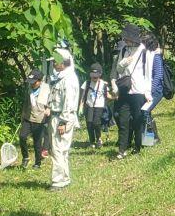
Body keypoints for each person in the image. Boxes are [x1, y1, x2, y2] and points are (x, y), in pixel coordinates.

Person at [111, 32, 153, 160]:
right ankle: (122, 150)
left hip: (138, 91)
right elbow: (118, 70)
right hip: (125, 90)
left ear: (133, 38)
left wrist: (147, 92)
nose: (125, 40)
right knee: (123, 121)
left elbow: (148, 75)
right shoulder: (124, 50)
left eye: (127, 38)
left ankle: (138, 146)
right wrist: (123, 62)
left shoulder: (145, 53)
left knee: (137, 120)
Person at [47, 48, 80, 190]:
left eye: (56, 61)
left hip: (62, 117)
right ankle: (64, 178)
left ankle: (58, 181)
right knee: (59, 149)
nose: (53, 64)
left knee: (58, 150)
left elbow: (69, 103)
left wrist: (63, 122)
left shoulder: (69, 79)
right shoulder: (60, 77)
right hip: (56, 115)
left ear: (63, 62)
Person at [18, 69, 50, 169]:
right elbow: (26, 103)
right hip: (28, 117)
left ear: (40, 81)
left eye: (34, 82)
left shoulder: (47, 89)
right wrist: (22, 116)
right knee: (22, 136)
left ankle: (37, 163)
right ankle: (25, 157)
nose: (32, 84)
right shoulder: (29, 89)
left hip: (40, 119)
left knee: (37, 142)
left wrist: (49, 108)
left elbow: (53, 101)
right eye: (30, 82)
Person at [79, 64, 109, 148]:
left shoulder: (104, 84)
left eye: (96, 76)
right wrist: (80, 106)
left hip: (99, 106)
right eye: (93, 76)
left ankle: (99, 139)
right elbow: (82, 96)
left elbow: (108, 95)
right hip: (89, 105)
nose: (94, 78)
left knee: (96, 123)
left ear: (100, 75)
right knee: (89, 123)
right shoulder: (87, 83)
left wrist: (116, 96)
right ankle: (91, 141)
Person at [144, 35, 165, 144]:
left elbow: (158, 76)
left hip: (156, 91)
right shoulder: (148, 56)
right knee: (147, 112)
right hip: (149, 90)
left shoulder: (156, 57)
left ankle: (152, 138)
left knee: (145, 112)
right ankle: (151, 139)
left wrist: (150, 91)